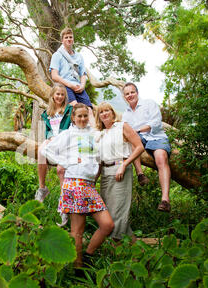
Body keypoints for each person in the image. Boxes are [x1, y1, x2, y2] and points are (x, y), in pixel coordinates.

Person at [42, 103, 114, 269]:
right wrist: (65, 162)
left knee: (107, 225)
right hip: (74, 183)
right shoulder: (68, 134)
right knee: (77, 231)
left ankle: (88, 255)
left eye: (85, 116)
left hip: (89, 185)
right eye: (79, 116)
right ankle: (78, 269)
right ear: (73, 118)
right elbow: (47, 149)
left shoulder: (93, 134)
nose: (82, 119)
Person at [95, 102, 144, 241]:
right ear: (98, 116)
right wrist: (94, 180)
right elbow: (99, 160)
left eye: (107, 111)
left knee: (118, 213)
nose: (104, 114)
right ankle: (136, 250)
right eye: (101, 112)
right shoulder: (100, 134)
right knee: (110, 213)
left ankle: (116, 249)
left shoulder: (122, 126)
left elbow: (139, 147)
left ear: (112, 112)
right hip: (105, 172)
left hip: (120, 170)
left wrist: (124, 164)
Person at [121, 82, 173, 213]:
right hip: (139, 138)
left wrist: (137, 130)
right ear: (124, 97)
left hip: (156, 135)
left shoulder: (149, 103)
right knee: (132, 142)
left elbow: (156, 122)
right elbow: (127, 131)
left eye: (132, 92)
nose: (130, 95)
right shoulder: (125, 114)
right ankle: (140, 174)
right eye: (127, 94)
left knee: (161, 157)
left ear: (137, 93)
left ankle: (165, 200)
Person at [49, 27, 95, 127]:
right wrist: (69, 84)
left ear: (73, 39)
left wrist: (82, 85)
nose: (69, 39)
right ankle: (79, 132)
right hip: (65, 86)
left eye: (71, 37)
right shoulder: (57, 55)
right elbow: (54, 75)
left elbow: (83, 74)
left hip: (78, 86)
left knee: (89, 111)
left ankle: (96, 134)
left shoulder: (79, 56)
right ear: (62, 40)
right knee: (77, 108)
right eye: (66, 37)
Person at [35, 84, 73, 203]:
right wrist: (50, 137)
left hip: (65, 140)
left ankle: (64, 202)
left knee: (60, 169)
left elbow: (71, 127)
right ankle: (42, 188)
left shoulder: (69, 110)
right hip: (52, 140)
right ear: (52, 95)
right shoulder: (47, 113)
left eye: (62, 94)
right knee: (40, 150)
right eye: (57, 94)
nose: (60, 97)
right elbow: (48, 130)